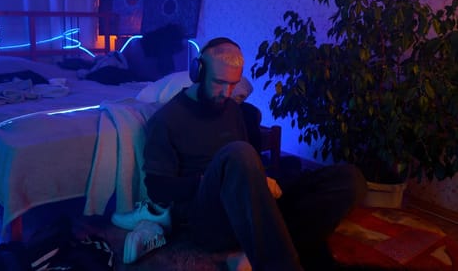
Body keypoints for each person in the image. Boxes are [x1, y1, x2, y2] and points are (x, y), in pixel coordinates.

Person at [116, 37, 367, 270]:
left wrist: (263, 179)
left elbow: (250, 164)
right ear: (198, 73)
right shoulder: (167, 120)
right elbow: (157, 187)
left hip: (250, 207)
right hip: (207, 219)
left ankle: (263, 246)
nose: (227, 93)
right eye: (219, 83)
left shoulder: (233, 110)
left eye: (233, 84)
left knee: (348, 179)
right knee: (238, 153)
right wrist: (210, 181)